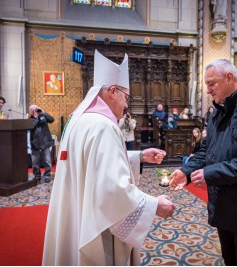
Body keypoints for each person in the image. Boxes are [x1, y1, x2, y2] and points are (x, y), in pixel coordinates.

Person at [42, 50, 175, 266]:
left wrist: (139, 156)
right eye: (126, 97)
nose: (126, 105)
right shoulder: (103, 126)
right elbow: (113, 189)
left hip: (76, 212)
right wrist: (155, 205)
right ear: (113, 91)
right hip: (97, 224)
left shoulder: (80, 120)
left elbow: (91, 162)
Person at [168, 59, 237, 265]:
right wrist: (187, 170)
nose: (208, 90)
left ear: (230, 78)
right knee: (230, 259)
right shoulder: (219, 111)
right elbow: (207, 150)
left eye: (212, 83)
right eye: (207, 85)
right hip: (226, 202)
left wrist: (211, 175)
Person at [29, 105, 55, 183]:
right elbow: (32, 126)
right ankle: (37, 175)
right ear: (30, 111)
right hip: (35, 144)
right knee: (35, 162)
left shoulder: (43, 116)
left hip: (45, 142)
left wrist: (44, 112)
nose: (35, 111)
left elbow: (52, 119)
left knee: (47, 161)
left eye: (36, 109)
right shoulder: (29, 120)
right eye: (33, 110)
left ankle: (47, 175)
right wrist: (36, 118)